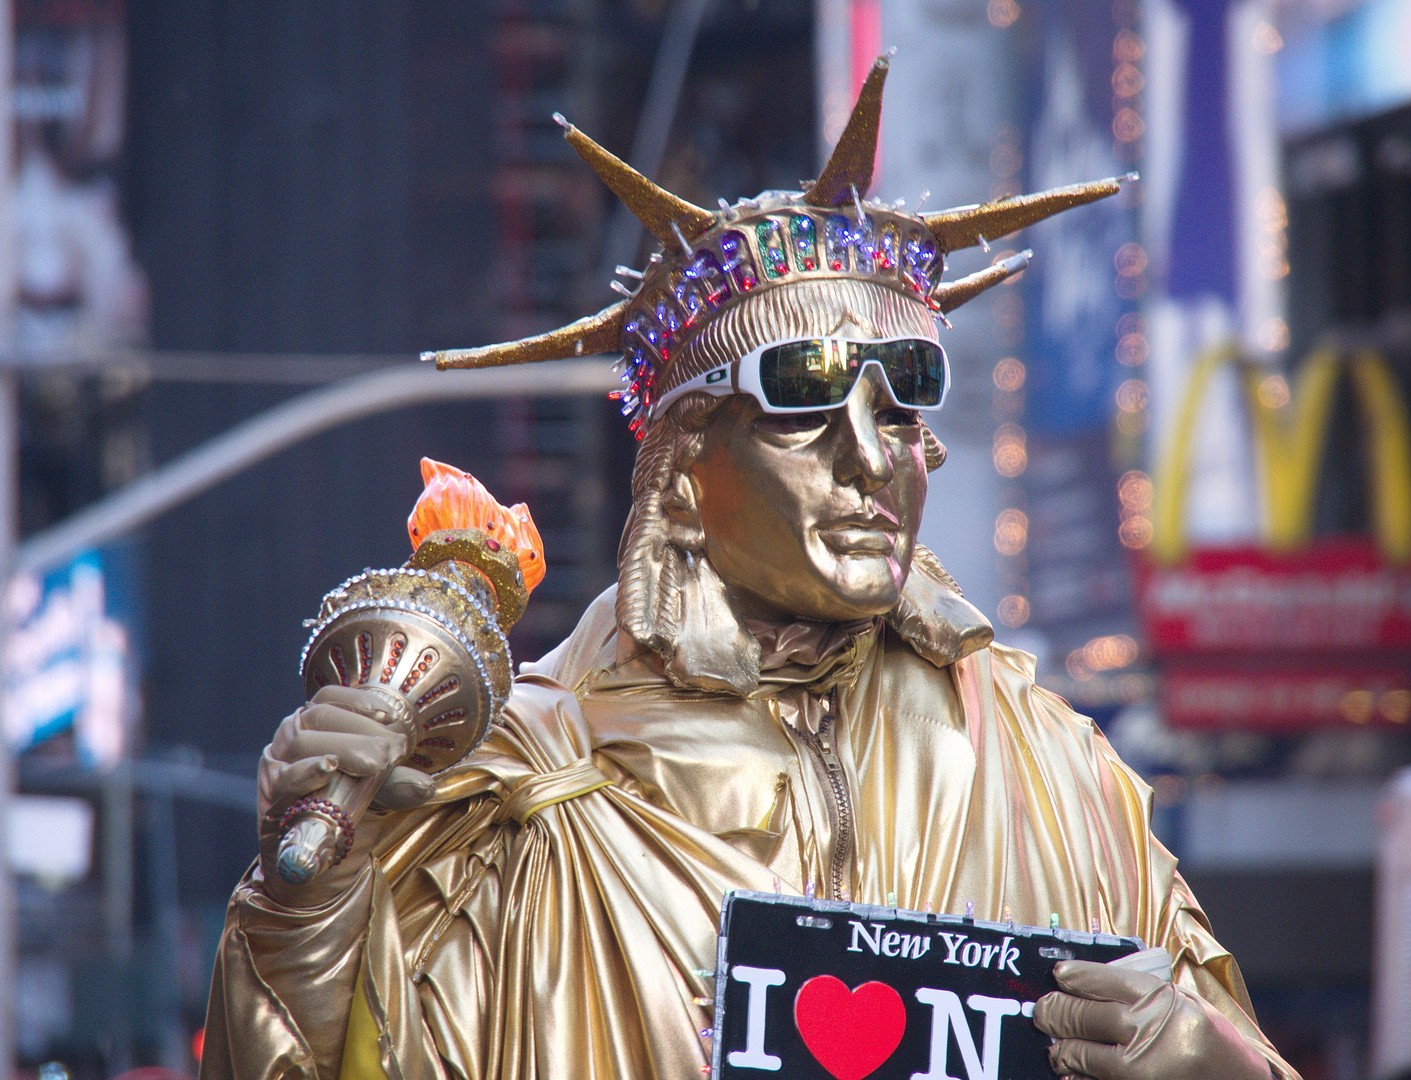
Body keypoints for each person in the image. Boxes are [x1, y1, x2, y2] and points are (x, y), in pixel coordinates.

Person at [200, 58, 1298, 1080]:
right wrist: (307, 919)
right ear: (683, 471)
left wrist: (1199, 1055)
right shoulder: (529, 799)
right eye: (804, 407)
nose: (875, 460)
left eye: (902, 398)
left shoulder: (1055, 771)